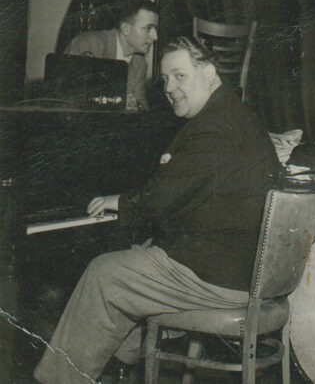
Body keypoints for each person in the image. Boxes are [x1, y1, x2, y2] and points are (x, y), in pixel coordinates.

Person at [33, 37, 281, 384]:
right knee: (141, 257)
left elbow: (161, 199)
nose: (170, 88)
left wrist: (119, 200)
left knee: (105, 274)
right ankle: (117, 368)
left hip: (222, 278)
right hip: (248, 272)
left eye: (180, 76)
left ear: (208, 73)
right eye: (165, 79)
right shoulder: (233, 114)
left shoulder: (212, 126)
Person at [65, 0, 159, 111]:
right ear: (125, 28)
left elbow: (142, 109)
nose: (155, 36)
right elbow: (65, 99)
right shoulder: (89, 44)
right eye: (148, 28)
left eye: (155, 29)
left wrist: (135, 106)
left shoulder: (140, 64)